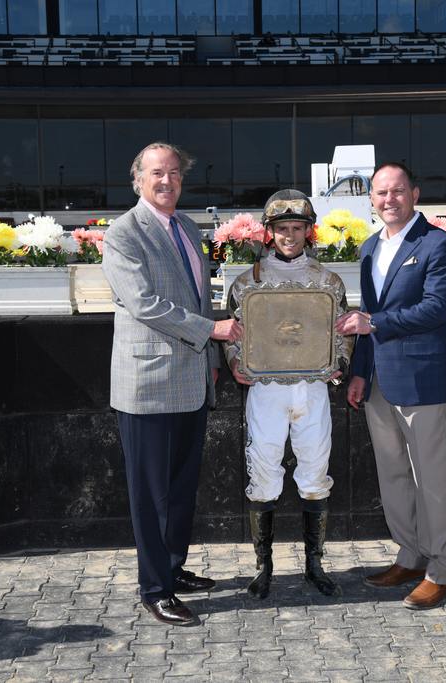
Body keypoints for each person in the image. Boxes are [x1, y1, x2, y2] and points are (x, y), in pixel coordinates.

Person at [103, 141, 243, 627]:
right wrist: (211, 331)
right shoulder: (123, 233)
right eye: (157, 174)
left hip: (191, 377)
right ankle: (155, 588)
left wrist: (212, 354)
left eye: (175, 174)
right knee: (151, 495)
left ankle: (174, 568)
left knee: (181, 488)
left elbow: (198, 296)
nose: (167, 182)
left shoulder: (186, 226)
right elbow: (143, 304)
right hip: (147, 383)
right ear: (137, 178)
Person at [335, 162, 446, 610]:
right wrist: (358, 373)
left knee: (433, 478)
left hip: (424, 380)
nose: (389, 199)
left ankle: (442, 569)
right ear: (371, 199)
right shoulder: (369, 248)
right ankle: (410, 555)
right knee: (393, 476)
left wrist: (375, 323)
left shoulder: (439, 245)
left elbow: (435, 309)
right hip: (379, 385)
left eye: (398, 191)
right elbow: (367, 315)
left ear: (415, 193)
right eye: (381, 193)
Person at [224, 189, 353, 600]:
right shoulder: (247, 283)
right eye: (282, 229)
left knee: (315, 474)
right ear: (269, 232)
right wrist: (233, 363)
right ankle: (265, 568)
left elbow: (343, 331)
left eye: (297, 228)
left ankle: (315, 565)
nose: (290, 236)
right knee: (263, 475)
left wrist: (340, 363)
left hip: (313, 388)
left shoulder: (328, 282)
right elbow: (233, 333)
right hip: (265, 391)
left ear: (308, 231)